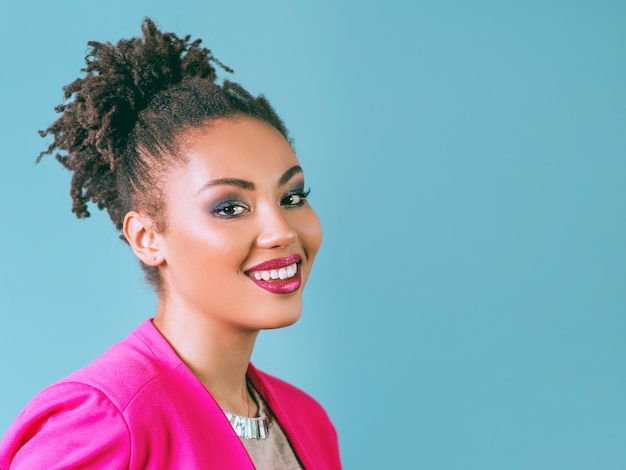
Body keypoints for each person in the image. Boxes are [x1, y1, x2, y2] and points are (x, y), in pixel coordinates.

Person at [0, 18, 341, 469]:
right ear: (147, 238)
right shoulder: (107, 423)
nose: (282, 231)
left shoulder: (308, 422)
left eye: (291, 197)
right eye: (229, 208)